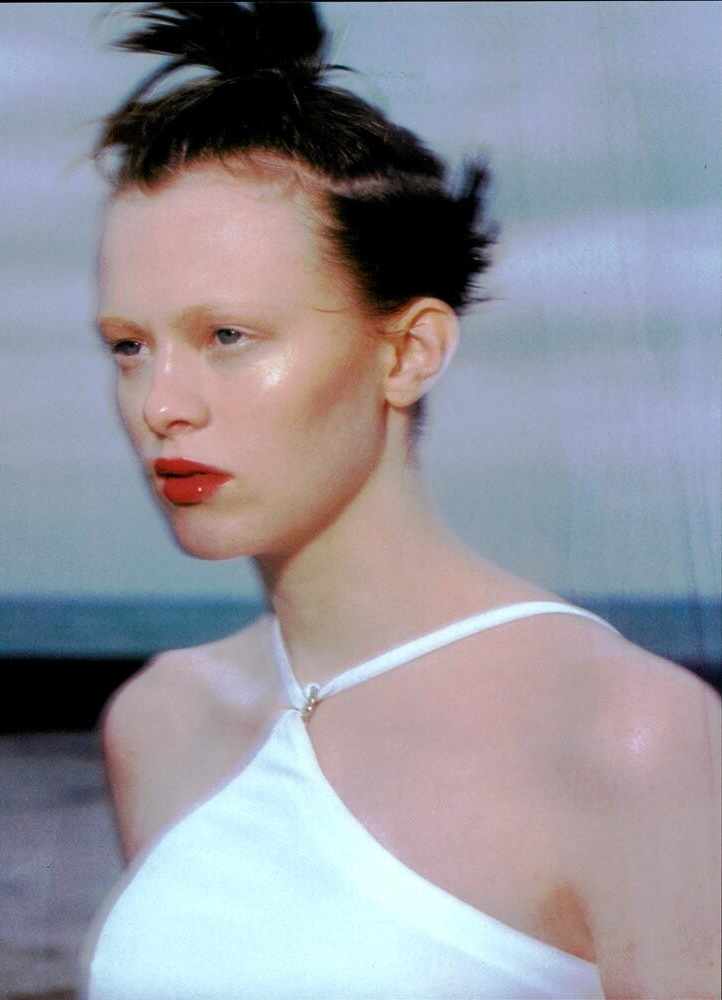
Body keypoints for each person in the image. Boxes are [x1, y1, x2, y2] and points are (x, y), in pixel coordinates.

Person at [83, 4, 720, 998]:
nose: (162, 403)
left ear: (409, 351)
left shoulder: (625, 734)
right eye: (130, 345)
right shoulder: (161, 722)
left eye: (228, 336)